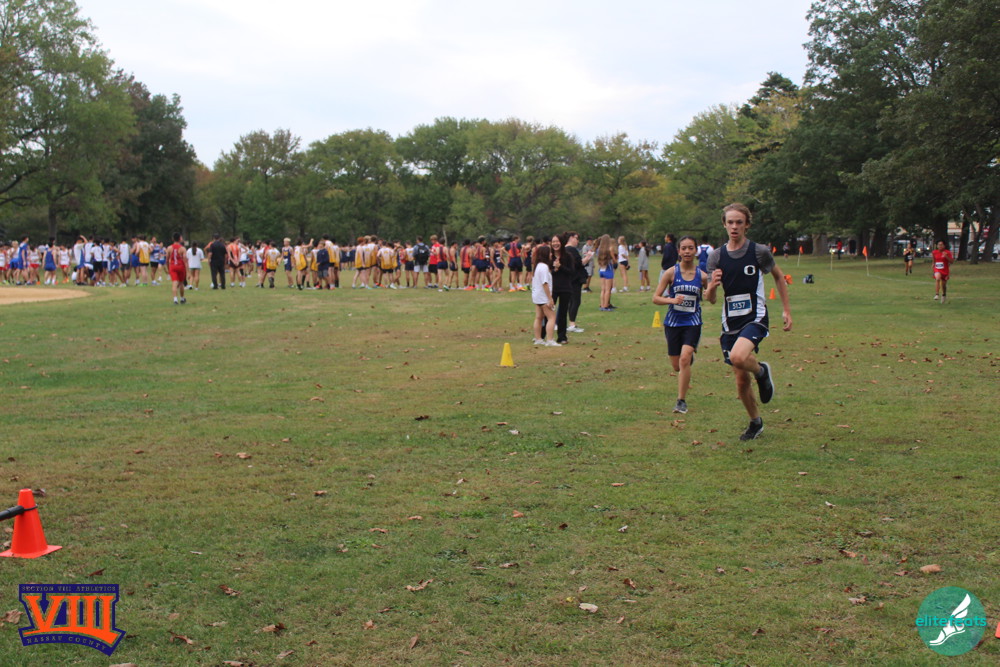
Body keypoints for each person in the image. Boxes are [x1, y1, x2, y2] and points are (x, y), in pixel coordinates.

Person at [705, 203, 792, 441]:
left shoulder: (759, 252)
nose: (734, 227)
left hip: (755, 316)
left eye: (739, 222)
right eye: (730, 222)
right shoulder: (716, 256)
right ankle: (755, 422)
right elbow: (711, 299)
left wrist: (786, 310)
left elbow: (779, 277)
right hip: (730, 322)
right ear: (724, 225)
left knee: (738, 357)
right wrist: (712, 286)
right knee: (741, 379)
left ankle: (762, 371)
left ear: (747, 225)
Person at [653, 236, 712, 414]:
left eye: (690, 248)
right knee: (677, 365)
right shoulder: (671, 273)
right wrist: (671, 300)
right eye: (684, 248)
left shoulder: (702, 276)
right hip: (673, 323)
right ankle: (686, 361)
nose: (687, 251)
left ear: (696, 251)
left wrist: (711, 290)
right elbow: (656, 298)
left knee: (684, 358)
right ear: (679, 251)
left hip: (693, 322)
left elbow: (711, 298)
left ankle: (681, 401)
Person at [551, 233, 576, 345]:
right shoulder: (549, 256)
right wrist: (554, 270)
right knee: (548, 312)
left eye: (557, 241)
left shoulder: (568, 256)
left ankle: (562, 337)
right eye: (553, 242)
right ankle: (543, 335)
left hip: (565, 288)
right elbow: (546, 273)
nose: (555, 244)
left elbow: (571, 272)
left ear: (561, 243)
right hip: (552, 288)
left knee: (562, 313)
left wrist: (560, 267)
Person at [531, 245, 558, 346]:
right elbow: (545, 283)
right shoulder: (544, 267)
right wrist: (550, 299)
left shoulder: (538, 266)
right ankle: (550, 340)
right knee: (552, 317)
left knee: (539, 317)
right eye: (550, 252)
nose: (551, 254)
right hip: (543, 296)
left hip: (537, 296)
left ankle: (538, 339)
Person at [564, 231, 590, 333]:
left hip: (568, 278)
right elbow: (579, 264)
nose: (577, 240)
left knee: (571, 301)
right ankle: (572, 324)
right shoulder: (572, 249)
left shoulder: (564, 249)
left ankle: (569, 323)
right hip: (574, 279)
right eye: (576, 238)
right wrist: (588, 257)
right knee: (575, 301)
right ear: (571, 238)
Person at [167, 232, 188, 304]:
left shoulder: (169, 248)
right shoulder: (182, 248)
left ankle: (175, 299)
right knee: (181, 283)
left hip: (173, 266)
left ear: (173, 239)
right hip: (181, 267)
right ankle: (182, 298)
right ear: (180, 239)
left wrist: (168, 268)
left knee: (174, 283)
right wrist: (187, 271)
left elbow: (167, 259)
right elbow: (185, 260)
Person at [596, 235, 616, 311]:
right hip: (608, 269)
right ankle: (605, 306)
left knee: (603, 289)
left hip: (601, 270)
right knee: (608, 289)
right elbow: (614, 259)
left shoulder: (599, 249)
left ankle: (602, 305)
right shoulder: (610, 249)